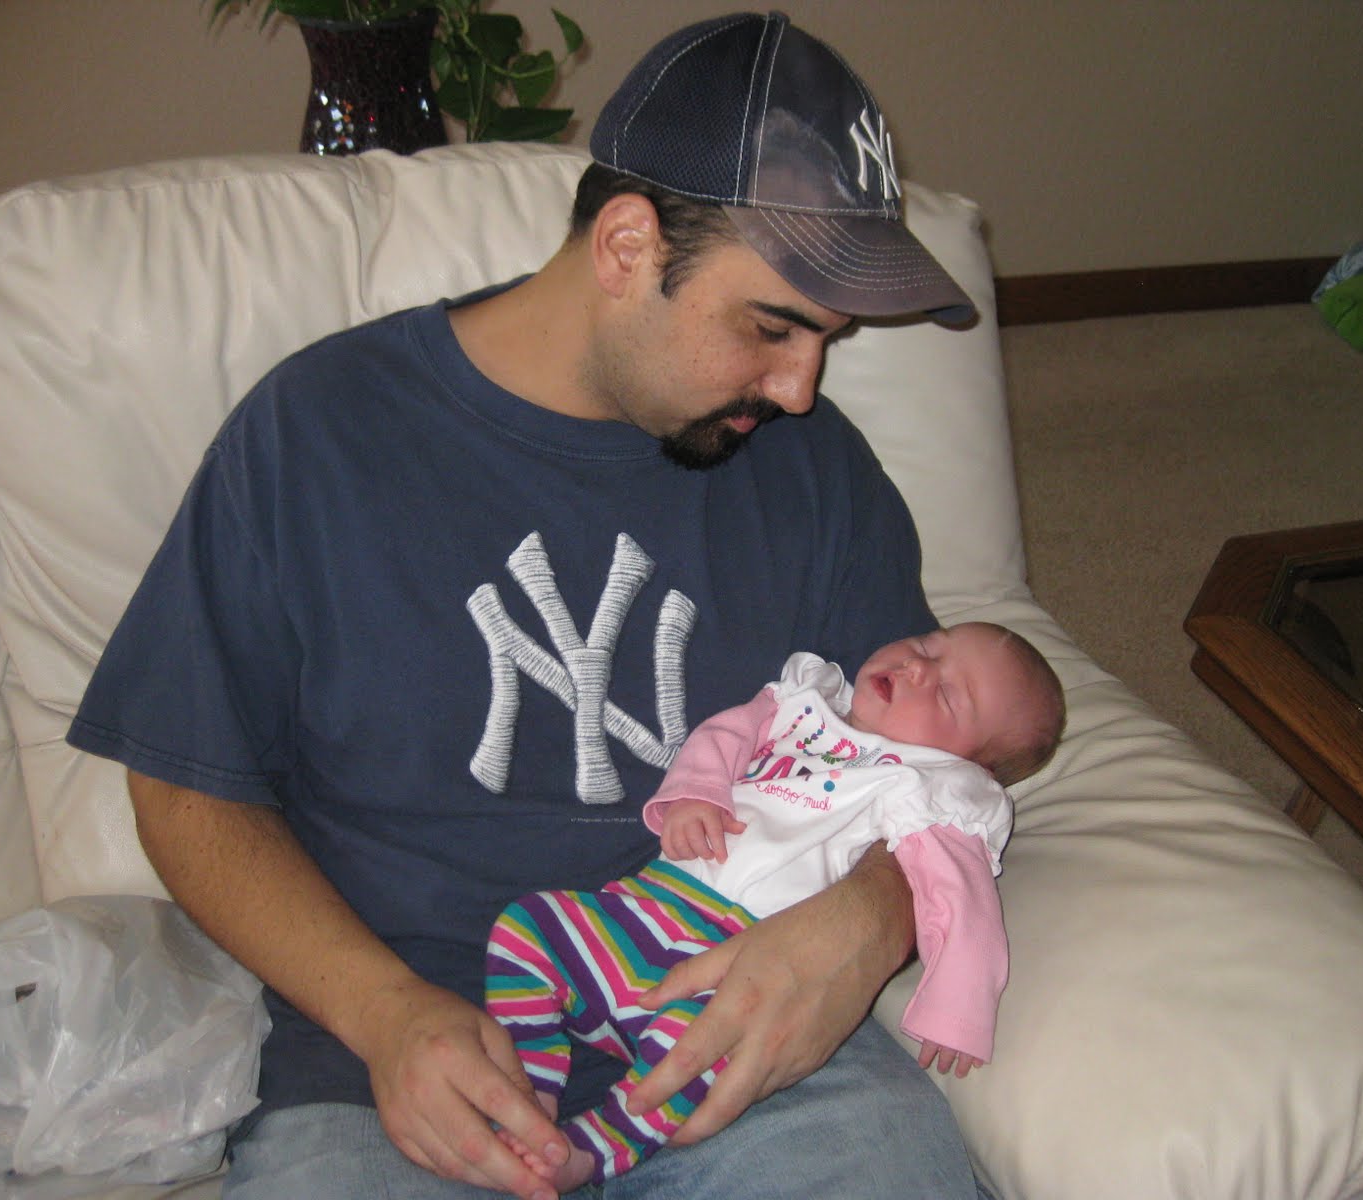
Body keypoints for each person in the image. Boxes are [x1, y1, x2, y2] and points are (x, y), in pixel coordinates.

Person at [66, 11, 989, 1200]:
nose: (800, 388)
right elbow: (186, 788)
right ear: (625, 245)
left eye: (827, 341)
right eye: (770, 327)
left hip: (733, 1030)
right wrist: (382, 1011)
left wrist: (871, 917)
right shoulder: (318, 436)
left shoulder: (812, 470)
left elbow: (943, 757)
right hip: (395, 1060)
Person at [486, 621, 1065, 1191]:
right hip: (646, 906)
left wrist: (958, 1002)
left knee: (699, 1054)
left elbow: (960, 895)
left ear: (969, 764)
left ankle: (594, 1146)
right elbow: (726, 736)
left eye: (947, 695)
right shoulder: (806, 699)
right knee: (528, 927)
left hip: (738, 961)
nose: (918, 667)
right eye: (927, 645)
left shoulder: (926, 785)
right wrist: (697, 792)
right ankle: (530, 1093)